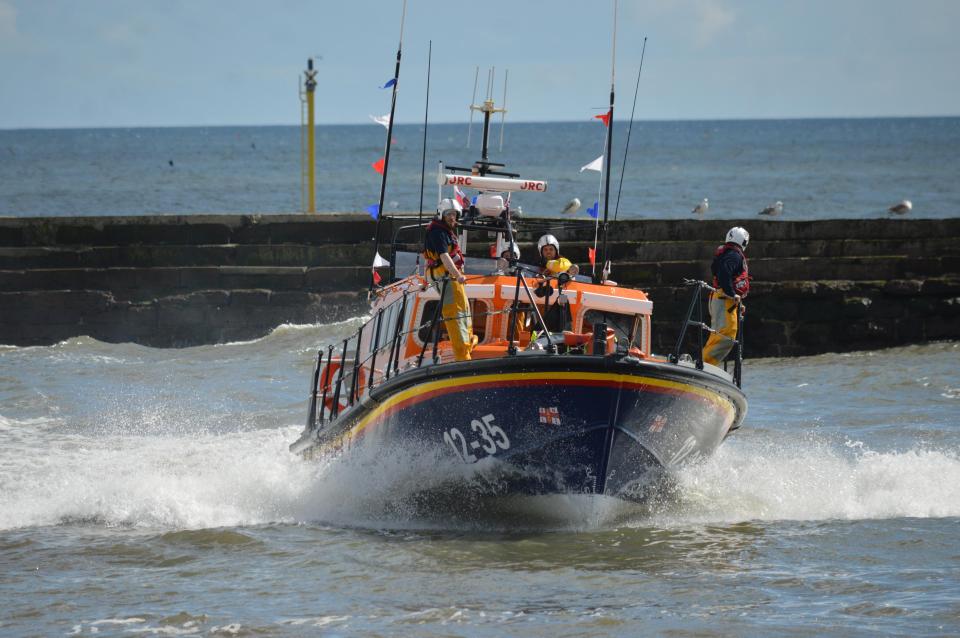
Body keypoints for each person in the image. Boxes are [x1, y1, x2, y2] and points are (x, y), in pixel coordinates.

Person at [423, 198, 476, 361]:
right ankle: (462, 355)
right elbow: (444, 257)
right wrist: (457, 275)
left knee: (464, 308)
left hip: (445, 275)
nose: (452, 217)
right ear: (441, 214)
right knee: (455, 312)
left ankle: (468, 342)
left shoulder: (443, 231)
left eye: (454, 214)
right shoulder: (438, 232)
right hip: (445, 276)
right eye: (449, 214)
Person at [702, 226, 750, 366]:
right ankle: (705, 364)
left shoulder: (726, 254)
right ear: (744, 241)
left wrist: (737, 302)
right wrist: (732, 294)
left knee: (719, 334)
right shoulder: (734, 256)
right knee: (726, 336)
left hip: (721, 299)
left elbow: (718, 271)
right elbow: (724, 274)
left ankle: (705, 362)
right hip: (724, 299)